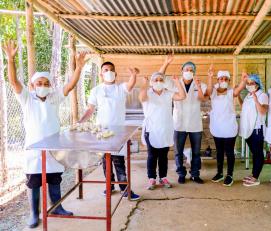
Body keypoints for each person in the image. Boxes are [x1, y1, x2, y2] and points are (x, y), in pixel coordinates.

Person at [2, 41, 87, 228]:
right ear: (32, 86)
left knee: (54, 177)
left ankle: (57, 207)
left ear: (50, 86)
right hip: (33, 150)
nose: (42, 86)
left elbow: (70, 86)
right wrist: (10, 59)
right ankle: (34, 214)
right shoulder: (26, 98)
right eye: (39, 83)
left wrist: (79, 68)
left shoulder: (54, 97)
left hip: (53, 148)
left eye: (46, 83)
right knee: (34, 181)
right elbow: (14, 82)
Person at [79, 61, 140, 201]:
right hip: (102, 132)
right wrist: (80, 122)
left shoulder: (120, 88)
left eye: (111, 70)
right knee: (106, 160)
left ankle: (124, 188)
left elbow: (130, 85)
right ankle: (110, 185)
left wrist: (134, 75)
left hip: (118, 132)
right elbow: (90, 109)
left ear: (116, 74)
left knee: (118, 160)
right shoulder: (96, 90)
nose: (109, 72)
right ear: (101, 74)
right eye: (105, 70)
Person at [159, 55, 207, 184]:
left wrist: (198, 85)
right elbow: (160, 77)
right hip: (178, 123)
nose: (189, 72)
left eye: (191, 70)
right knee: (178, 151)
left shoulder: (200, 85)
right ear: (182, 71)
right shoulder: (175, 82)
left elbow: (203, 99)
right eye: (186, 69)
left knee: (196, 152)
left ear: (194, 72)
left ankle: (195, 174)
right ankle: (181, 173)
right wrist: (166, 63)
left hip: (195, 123)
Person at [139, 72, 186, 190]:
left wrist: (177, 83)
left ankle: (163, 177)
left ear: (164, 82)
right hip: (151, 129)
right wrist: (144, 85)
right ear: (152, 82)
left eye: (161, 79)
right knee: (152, 155)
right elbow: (142, 98)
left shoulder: (168, 93)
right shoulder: (148, 93)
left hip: (165, 128)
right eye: (156, 80)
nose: (159, 82)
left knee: (163, 156)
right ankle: (151, 178)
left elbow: (182, 96)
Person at [206, 68, 246, 186]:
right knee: (219, 152)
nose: (223, 80)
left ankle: (229, 174)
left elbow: (238, 90)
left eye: (226, 79)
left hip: (229, 127)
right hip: (217, 126)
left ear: (228, 81)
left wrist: (243, 81)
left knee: (229, 152)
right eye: (221, 78)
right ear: (217, 80)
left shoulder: (230, 92)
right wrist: (209, 77)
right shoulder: (213, 91)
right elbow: (207, 91)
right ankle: (219, 173)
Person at [239, 73, 269, 187]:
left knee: (258, 153)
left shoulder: (262, 95)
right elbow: (244, 107)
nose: (250, 85)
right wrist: (238, 97)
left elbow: (262, 111)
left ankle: (256, 178)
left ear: (258, 84)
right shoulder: (248, 95)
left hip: (257, 129)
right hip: (248, 129)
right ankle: (253, 174)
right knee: (254, 153)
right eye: (248, 83)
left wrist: (256, 100)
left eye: (252, 83)